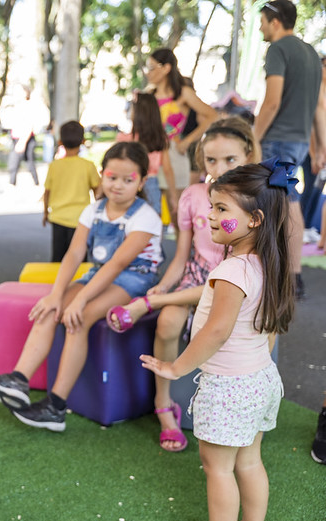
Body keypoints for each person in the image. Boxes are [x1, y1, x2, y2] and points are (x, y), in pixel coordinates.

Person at [139, 158, 295, 521]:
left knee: (218, 468)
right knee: (249, 461)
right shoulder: (267, 262)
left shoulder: (231, 271)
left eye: (222, 209)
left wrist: (175, 367)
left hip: (230, 388)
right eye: (212, 206)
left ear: (254, 219)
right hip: (260, 380)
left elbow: (216, 331)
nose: (210, 216)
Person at [0, 142, 163, 431]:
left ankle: (56, 406)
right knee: (50, 308)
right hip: (98, 274)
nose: (118, 185)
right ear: (102, 175)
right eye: (112, 177)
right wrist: (56, 295)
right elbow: (74, 254)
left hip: (135, 278)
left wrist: (80, 300)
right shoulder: (94, 209)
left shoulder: (144, 216)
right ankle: (18, 381)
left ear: (142, 182)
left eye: (128, 180)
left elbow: (117, 265)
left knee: (79, 317)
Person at [107, 117, 261, 452]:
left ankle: (146, 305)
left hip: (235, 281)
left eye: (230, 159)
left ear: (248, 155)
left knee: (201, 312)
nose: (219, 168)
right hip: (196, 277)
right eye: (211, 160)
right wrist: (164, 286)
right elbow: (181, 256)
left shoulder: (257, 199)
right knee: (167, 323)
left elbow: (242, 269)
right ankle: (163, 406)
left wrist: (156, 297)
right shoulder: (193, 196)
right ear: (201, 160)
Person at [253, 0, 326, 300]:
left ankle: (290, 277)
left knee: (286, 200)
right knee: (286, 198)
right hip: (298, 142)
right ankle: (288, 276)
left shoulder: (278, 49)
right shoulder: (310, 53)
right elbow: (320, 105)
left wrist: (253, 138)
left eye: (262, 21)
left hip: (276, 140)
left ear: (275, 21)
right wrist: (321, 147)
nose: (260, 27)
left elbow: (272, 102)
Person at [146, 48, 217, 204]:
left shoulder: (183, 93)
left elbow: (212, 116)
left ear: (166, 68)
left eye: (151, 68)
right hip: (151, 157)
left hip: (174, 154)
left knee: (177, 208)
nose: (147, 73)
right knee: (153, 208)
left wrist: (188, 141)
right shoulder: (149, 95)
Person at [43, 120, 100, 262]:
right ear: (83, 141)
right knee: (79, 258)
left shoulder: (54, 166)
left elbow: (47, 192)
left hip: (58, 218)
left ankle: (58, 277)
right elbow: (98, 193)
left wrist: (45, 212)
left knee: (58, 258)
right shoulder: (88, 166)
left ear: (60, 142)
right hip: (81, 219)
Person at [118, 92, 173, 216]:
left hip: (128, 183)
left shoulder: (124, 139)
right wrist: (174, 197)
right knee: (152, 221)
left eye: (132, 107)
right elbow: (168, 169)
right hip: (152, 184)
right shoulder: (160, 139)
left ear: (138, 112)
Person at [300, 56, 326, 245]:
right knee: (309, 188)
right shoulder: (313, 92)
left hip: (321, 152)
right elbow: (309, 128)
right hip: (311, 151)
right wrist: (314, 154)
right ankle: (300, 227)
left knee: (317, 188)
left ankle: (308, 227)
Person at [6, 84, 43, 186]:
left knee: (28, 162)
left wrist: (22, 142)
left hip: (25, 138)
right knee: (14, 163)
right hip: (16, 138)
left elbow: (29, 126)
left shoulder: (27, 106)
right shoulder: (16, 106)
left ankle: (36, 183)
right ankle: (12, 183)